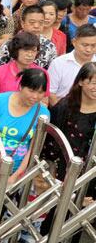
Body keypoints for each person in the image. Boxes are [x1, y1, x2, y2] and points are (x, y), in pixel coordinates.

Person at [0, 69, 50, 184]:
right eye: (31, 90)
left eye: (40, 92)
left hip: (13, 170)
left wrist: (17, 175)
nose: (35, 96)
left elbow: (33, 149)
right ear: (21, 86)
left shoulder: (43, 114)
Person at [44, 63, 96, 202]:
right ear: (80, 81)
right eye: (93, 83)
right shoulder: (64, 107)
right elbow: (51, 142)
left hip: (91, 176)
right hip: (64, 171)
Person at [48, 24, 96, 106]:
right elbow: (50, 93)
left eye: (93, 46)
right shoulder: (58, 63)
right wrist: (62, 113)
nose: (89, 50)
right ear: (74, 42)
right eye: (85, 45)